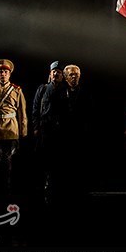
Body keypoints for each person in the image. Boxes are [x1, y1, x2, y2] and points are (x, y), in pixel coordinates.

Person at [41, 63, 92, 201]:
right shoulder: (57, 91)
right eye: (71, 75)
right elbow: (50, 112)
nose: (74, 77)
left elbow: (89, 113)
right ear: (65, 77)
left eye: (77, 74)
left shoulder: (85, 92)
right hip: (61, 134)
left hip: (79, 134)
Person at [0, 58, 28, 196]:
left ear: (9, 74)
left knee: (8, 160)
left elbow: (22, 111)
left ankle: (7, 187)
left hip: (10, 128)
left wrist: (23, 130)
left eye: (5, 72)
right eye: (0, 72)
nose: (3, 74)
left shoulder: (17, 90)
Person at [31, 60, 64, 198]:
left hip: (60, 131)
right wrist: (36, 127)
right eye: (54, 71)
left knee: (58, 160)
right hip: (44, 130)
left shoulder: (65, 90)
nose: (56, 74)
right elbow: (35, 108)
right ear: (50, 74)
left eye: (59, 72)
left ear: (62, 75)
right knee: (43, 159)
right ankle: (42, 185)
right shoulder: (43, 88)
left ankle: (55, 186)